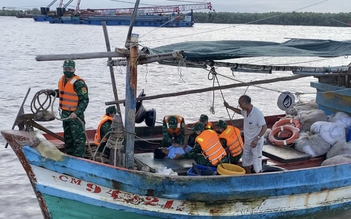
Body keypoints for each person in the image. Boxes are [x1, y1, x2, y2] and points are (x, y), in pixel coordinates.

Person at [49, 60, 89, 157]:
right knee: (68, 137)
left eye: (69, 69)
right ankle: (70, 155)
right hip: (65, 115)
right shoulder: (62, 80)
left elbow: (84, 100)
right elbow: (63, 93)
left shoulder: (79, 83)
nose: (67, 70)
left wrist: (77, 112)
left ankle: (80, 157)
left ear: (74, 69)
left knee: (78, 138)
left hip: (75, 115)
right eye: (65, 68)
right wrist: (52, 92)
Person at [224, 95, 267, 173]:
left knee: (257, 164)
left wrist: (257, 139)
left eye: (240, 104)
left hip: (256, 143)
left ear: (245, 103)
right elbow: (239, 111)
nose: (239, 106)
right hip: (247, 142)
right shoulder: (245, 111)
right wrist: (229, 107)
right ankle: (248, 175)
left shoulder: (257, 113)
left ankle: (259, 177)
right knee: (245, 163)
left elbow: (264, 127)